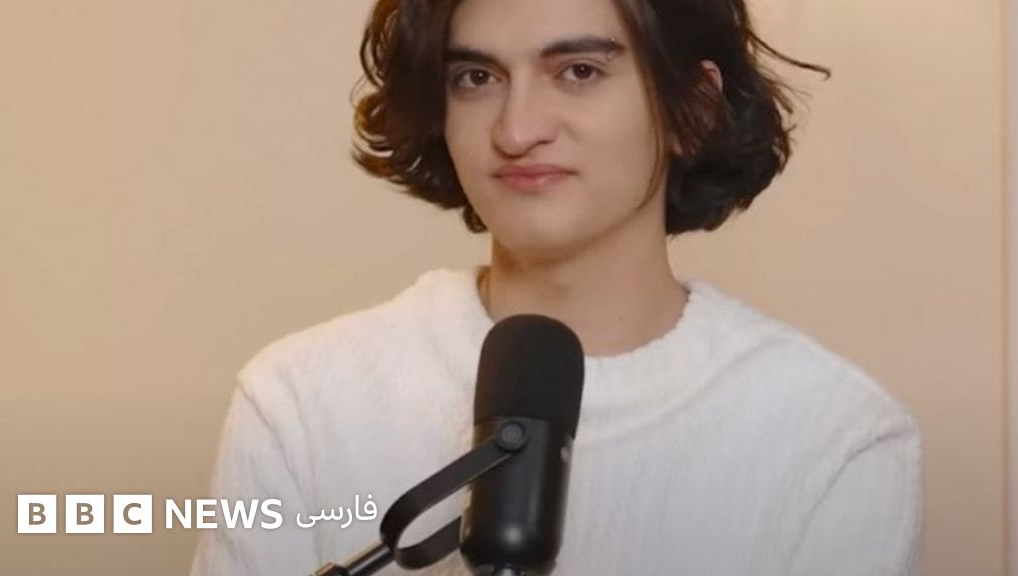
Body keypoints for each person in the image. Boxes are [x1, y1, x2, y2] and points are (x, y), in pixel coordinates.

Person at [190, 0, 922, 574]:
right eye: (476, 78)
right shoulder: (299, 402)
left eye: (578, 71)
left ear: (692, 109)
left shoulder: (832, 436)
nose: (517, 130)